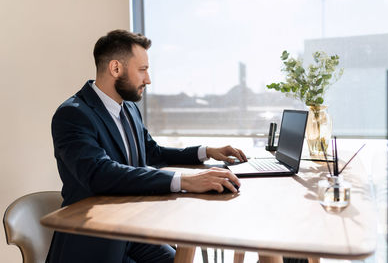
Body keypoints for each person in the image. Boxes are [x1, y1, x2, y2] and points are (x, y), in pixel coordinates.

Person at [46, 29, 247, 263]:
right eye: (142, 70)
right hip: (94, 239)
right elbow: (99, 173)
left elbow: (151, 152)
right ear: (115, 68)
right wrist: (184, 181)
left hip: (133, 230)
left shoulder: (129, 108)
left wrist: (205, 152)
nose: (148, 79)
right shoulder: (72, 114)